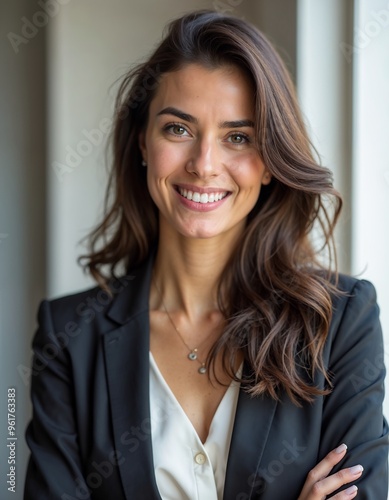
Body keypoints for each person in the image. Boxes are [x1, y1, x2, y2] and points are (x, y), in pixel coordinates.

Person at [24, 10, 388, 500]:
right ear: (143, 144)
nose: (204, 165)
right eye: (178, 129)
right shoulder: (68, 337)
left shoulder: (341, 322)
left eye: (238, 137)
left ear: (269, 164)